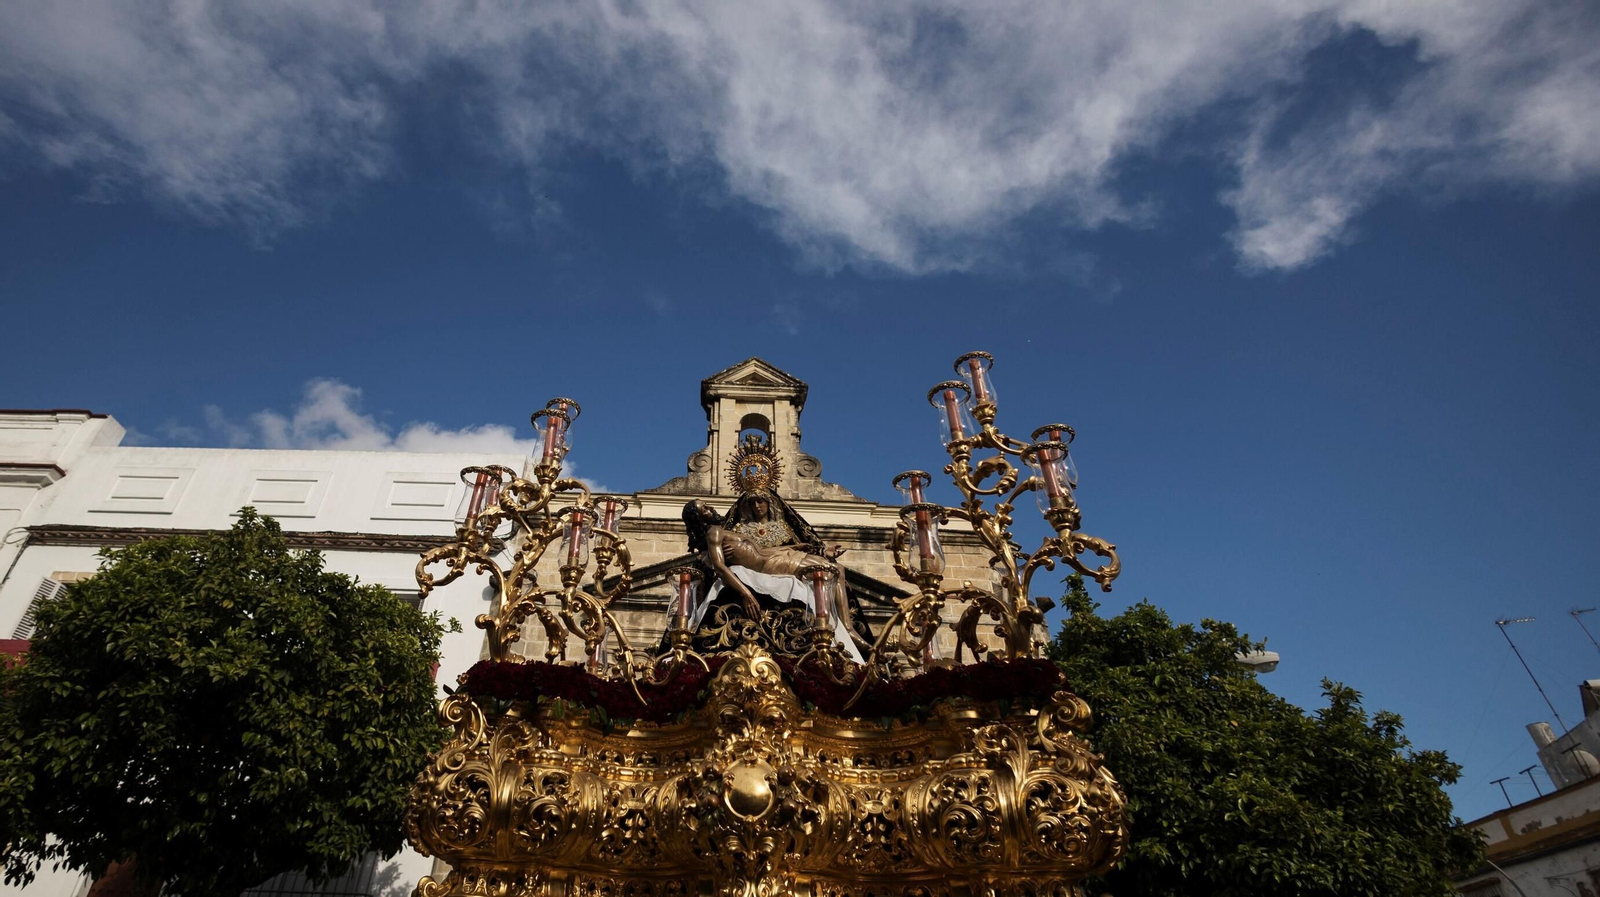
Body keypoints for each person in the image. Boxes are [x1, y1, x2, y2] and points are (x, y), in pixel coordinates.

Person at [682, 499, 867, 654]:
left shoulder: (721, 532)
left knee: (837, 570)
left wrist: (793, 547)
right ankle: (847, 629)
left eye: (707, 505)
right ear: (699, 519)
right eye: (704, 509)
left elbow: (761, 551)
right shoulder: (713, 532)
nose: (711, 508)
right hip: (771, 565)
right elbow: (719, 567)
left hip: (777, 557)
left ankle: (846, 627)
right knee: (834, 571)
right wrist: (746, 594)